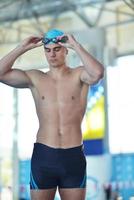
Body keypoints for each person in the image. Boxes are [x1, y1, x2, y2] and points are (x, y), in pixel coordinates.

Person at [0, 29, 104, 200]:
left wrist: (76, 45)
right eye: (47, 50)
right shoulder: (35, 78)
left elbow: (98, 73)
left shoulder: (80, 75)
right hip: (44, 156)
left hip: (73, 156)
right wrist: (22, 47)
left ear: (65, 50)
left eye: (56, 49)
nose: (52, 54)